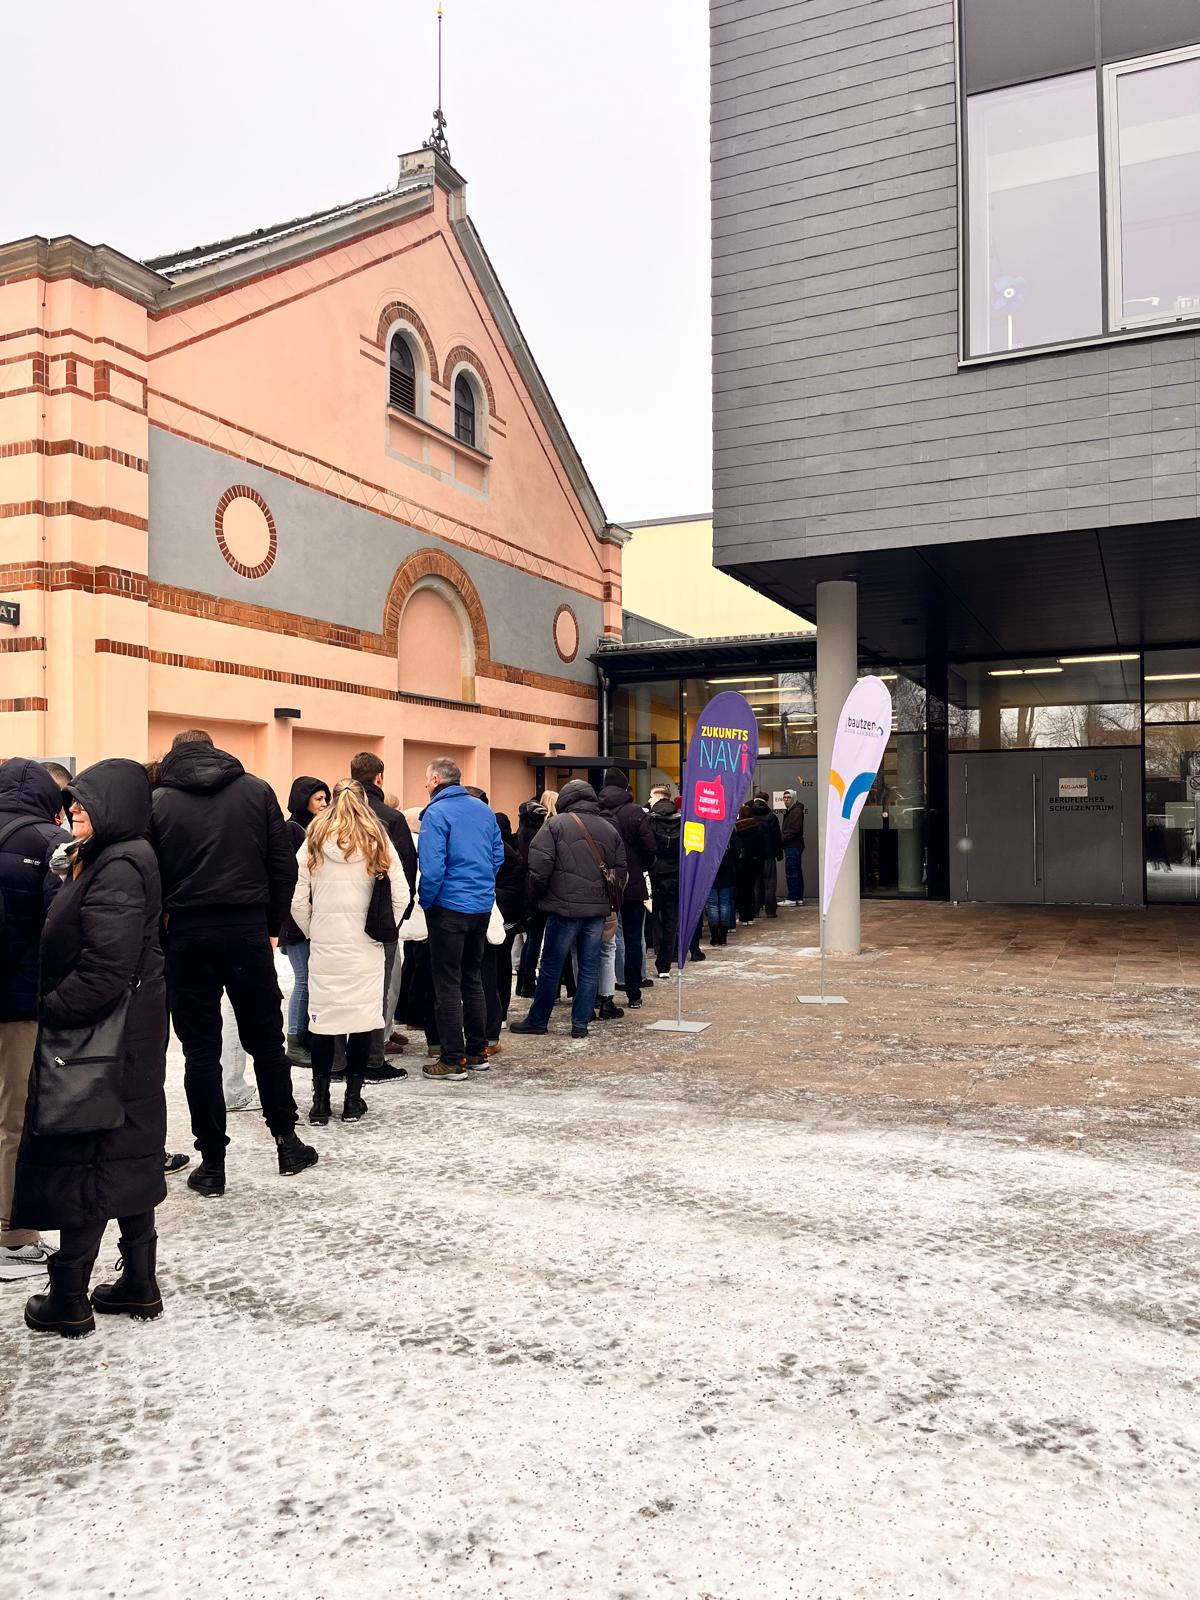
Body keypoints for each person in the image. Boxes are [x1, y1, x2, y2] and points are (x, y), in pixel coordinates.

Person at [12, 760, 168, 1337]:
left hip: (104, 1041)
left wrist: (50, 1009)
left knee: (91, 1161)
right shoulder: (114, 856)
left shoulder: (120, 864)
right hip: (128, 1038)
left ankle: (69, 1296)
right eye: (73, 800)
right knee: (127, 1153)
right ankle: (139, 1282)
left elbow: (104, 970)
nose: (74, 809)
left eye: (85, 801)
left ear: (115, 806)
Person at [152, 730, 316, 1196]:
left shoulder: (157, 801)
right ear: (214, 750)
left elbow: (151, 873)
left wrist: (163, 930)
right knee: (266, 1042)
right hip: (246, 929)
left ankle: (212, 1163)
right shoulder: (256, 791)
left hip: (186, 934)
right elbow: (283, 864)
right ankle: (287, 1142)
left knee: (200, 1051)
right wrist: (269, 923)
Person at [290, 780, 409, 1124]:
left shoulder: (314, 837)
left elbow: (297, 900)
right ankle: (353, 1100)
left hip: (326, 945)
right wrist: (383, 928)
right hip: (366, 946)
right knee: (361, 1022)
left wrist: (315, 930)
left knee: (324, 1023)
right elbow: (400, 894)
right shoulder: (377, 838)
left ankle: (320, 1102)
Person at [0, 759, 71, 1281]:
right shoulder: (52, 843)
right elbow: (62, 927)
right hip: (19, 1003)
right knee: (15, 1118)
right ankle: (14, 1236)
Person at [511, 780, 627, 1040]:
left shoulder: (555, 824)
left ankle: (538, 1020)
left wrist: (536, 899)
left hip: (563, 908)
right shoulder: (608, 827)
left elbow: (539, 867)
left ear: (567, 798)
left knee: (551, 965)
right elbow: (621, 870)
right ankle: (580, 1023)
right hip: (596, 909)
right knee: (589, 966)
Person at [418, 758, 505, 1079]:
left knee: (447, 984)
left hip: (448, 906)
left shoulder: (436, 813)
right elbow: (497, 855)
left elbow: (432, 867)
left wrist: (428, 901)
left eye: (426, 779)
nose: (425, 784)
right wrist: (481, 886)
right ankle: (478, 1051)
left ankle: (453, 1058)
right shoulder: (483, 810)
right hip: (479, 906)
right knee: (472, 978)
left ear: (436, 780)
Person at [348, 754, 416, 1081]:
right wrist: (397, 918)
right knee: (380, 987)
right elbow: (406, 875)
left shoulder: (331, 819)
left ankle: (338, 1060)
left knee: (342, 988)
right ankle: (373, 1058)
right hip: (381, 919)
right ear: (379, 779)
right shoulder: (390, 818)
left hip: (339, 921)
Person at [278, 776, 330, 1067]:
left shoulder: (316, 827)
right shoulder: (293, 829)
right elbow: (291, 877)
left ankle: (307, 1036)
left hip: (313, 915)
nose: (324, 803)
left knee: (312, 979)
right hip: (296, 918)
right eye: (318, 798)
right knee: (304, 979)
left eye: (325, 799)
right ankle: (295, 1040)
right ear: (303, 799)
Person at [597, 768, 657, 1009]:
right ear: (625, 787)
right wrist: (641, 866)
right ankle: (633, 991)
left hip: (603, 883)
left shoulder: (597, 811)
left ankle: (603, 992)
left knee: (604, 940)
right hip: (631, 882)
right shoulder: (635, 812)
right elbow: (649, 847)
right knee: (633, 939)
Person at [514, 792, 553, 997]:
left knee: (532, 939)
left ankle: (524, 982)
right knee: (535, 939)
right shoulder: (537, 834)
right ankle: (528, 983)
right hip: (535, 891)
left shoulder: (522, 832)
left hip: (526, 890)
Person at [646, 783, 682, 975]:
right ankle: (665, 965)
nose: (649, 800)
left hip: (655, 874)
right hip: (676, 874)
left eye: (651, 797)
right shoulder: (683, 819)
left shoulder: (649, 819)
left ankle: (656, 954)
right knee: (671, 919)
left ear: (659, 798)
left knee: (653, 918)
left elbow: (646, 846)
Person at [751, 791, 783, 918]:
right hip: (769, 856)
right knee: (770, 884)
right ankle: (770, 911)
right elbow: (776, 838)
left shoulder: (750, 815)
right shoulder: (771, 817)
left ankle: (755, 911)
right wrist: (779, 854)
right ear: (767, 801)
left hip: (754, 856)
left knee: (755, 884)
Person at [734, 803, 764, 925]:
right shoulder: (757, 828)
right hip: (754, 862)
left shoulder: (738, 830)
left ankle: (743, 916)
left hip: (741, 864)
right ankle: (751, 915)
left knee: (741, 890)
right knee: (751, 889)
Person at [705, 840, 738, 945]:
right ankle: (723, 937)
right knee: (725, 904)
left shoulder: (707, 834)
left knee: (712, 905)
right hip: (727, 873)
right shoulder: (728, 834)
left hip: (710, 873)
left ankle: (714, 937)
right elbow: (736, 851)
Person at [780, 789, 806, 905]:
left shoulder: (795, 811)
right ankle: (798, 897)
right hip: (793, 844)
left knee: (792, 871)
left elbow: (794, 830)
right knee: (796, 871)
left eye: (788, 797)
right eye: (784, 797)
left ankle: (792, 898)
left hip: (792, 844)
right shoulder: (792, 810)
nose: (786, 800)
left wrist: (782, 838)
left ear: (793, 798)